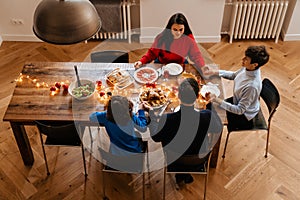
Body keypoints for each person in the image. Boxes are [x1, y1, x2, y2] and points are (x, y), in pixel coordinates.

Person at [148, 78, 222, 184]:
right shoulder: (206, 116)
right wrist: (209, 104)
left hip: (174, 160)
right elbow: (218, 127)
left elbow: (155, 137)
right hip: (198, 160)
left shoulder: (167, 119)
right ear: (197, 97)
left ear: (178, 96)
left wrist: (153, 117)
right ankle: (184, 175)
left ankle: (182, 174)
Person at [204, 45, 270, 131]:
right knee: (209, 106)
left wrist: (217, 100)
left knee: (211, 118)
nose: (242, 59)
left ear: (255, 64)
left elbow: (240, 110)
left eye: (246, 59)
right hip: (237, 102)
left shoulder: (251, 86)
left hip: (243, 116)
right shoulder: (249, 69)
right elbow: (234, 75)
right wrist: (215, 72)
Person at [134, 13, 205, 73]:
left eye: (181, 29)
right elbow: (152, 53)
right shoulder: (161, 38)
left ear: (185, 28)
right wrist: (141, 62)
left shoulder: (189, 38)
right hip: (162, 64)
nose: (178, 33)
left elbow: (196, 55)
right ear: (170, 28)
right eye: (175, 29)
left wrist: (202, 66)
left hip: (180, 64)